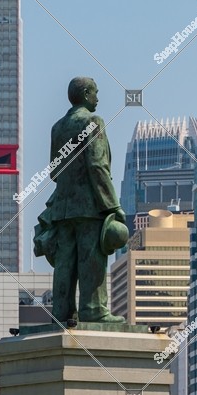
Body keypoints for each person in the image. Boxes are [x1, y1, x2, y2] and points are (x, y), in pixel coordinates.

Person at [37, 76, 126, 324]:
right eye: (95, 92)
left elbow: (54, 171)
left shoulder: (58, 127)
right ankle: (93, 310)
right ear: (86, 94)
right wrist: (113, 205)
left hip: (62, 208)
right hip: (89, 206)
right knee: (91, 259)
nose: (98, 98)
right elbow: (97, 166)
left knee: (64, 263)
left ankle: (61, 312)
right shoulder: (92, 122)